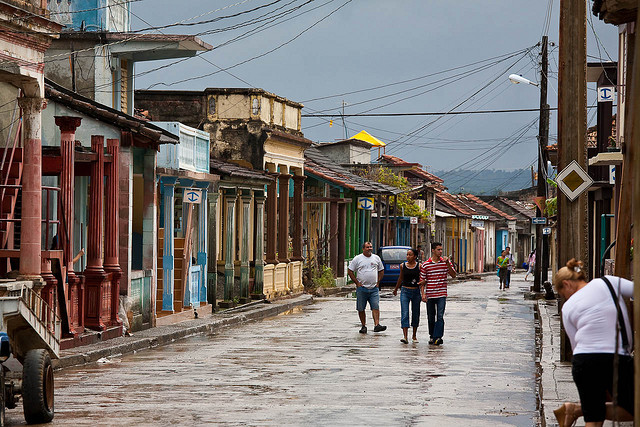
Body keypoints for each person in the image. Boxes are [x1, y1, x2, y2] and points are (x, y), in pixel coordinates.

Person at [552, 259, 634, 427]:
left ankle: (580, 410)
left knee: (593, 419)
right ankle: (578, 409)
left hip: (584, 361)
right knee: (633, 409)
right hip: (616, 358)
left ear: (567, 284)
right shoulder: (607, 282)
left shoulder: (567, 308)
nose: (565, 298)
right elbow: (636, 290)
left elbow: (575, 346)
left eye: (562, 294)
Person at [418, 242, 456, 345]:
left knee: (440, 316)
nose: (440, 252)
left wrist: (448, 263)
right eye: (438, 250)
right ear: (433, 250)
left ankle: (438, 337)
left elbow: (453, 275)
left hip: (441, 294)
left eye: (441, 250)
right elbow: (422, 281)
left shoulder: (445, 263)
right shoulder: (426, 265)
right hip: (430, 293)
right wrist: (423, 294)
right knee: (431, 316)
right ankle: (432, 336)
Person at [347, 242, 386, 334]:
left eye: (371, 247)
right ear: (363, 249)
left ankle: (377, 325)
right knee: (361, 308)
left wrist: (378, 282)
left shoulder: (376, 258)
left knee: (375, 306)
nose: (369, 249)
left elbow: (381, 270)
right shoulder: (357, 259)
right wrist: (357, 282)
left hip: (374, 288)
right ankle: (363, 325)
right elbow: (350, 271)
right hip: (362, 288)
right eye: (367, 247)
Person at [392, 248, 421, 344]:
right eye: (407, 255)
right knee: (405, 313)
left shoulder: (419, 266)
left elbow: (422, 280)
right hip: (405, 291)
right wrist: (396, 289)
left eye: (410, 255)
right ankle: (405, 336)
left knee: (415, 313)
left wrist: (423, 292)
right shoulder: (402, 266)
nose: (408, 257)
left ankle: (414, 335)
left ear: (415, 256)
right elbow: (401, 277)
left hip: (416, 292)